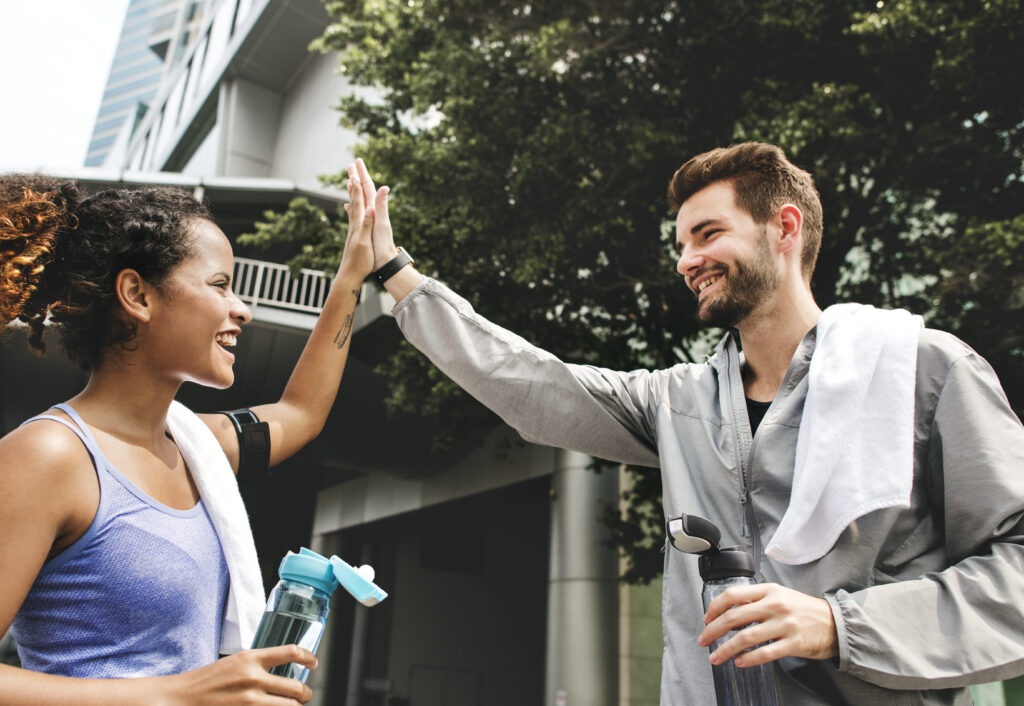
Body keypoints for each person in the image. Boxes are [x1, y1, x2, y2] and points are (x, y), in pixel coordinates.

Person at [350, 149, 1024, 705]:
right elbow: (532, 385)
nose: (684, 260)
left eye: (708, 234)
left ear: (784, 229)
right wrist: (396, 274)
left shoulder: (923, 371)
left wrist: (838, 624)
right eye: (680, 243)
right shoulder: (676, 401)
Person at [0, 163, 389, 705]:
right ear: (138, 294)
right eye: (221, 285)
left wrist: (352, 276)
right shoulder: (47, 456)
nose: (243, 310)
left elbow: (299, 413)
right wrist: (180, 694)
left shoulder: (194, 447)